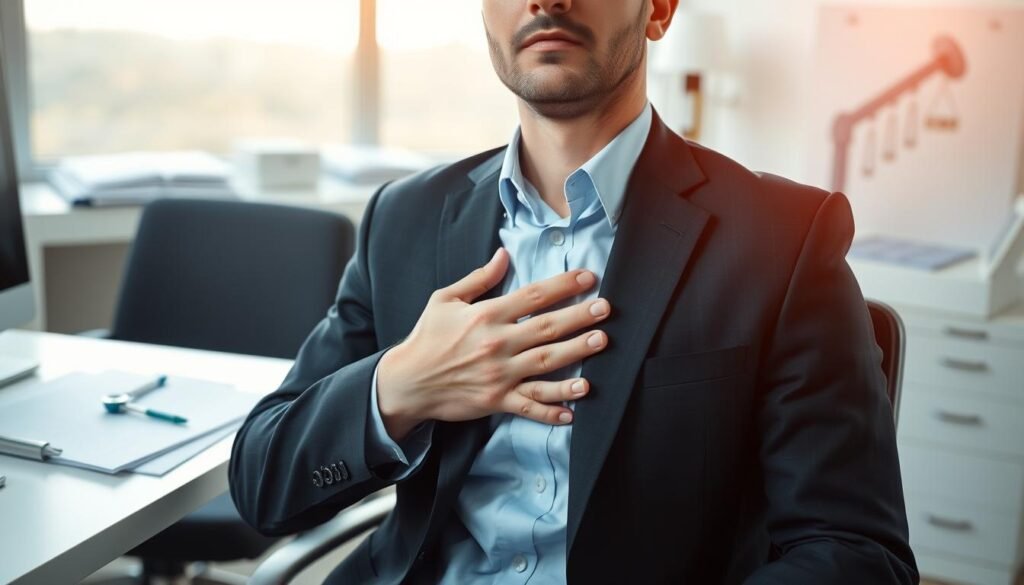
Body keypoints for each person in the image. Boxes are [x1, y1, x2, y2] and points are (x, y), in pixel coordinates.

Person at [229, 1, 918, 583]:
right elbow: (264, 485)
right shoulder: (403, 219)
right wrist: (403, 386)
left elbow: (857, 552)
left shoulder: (782, 239)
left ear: (660, 8)